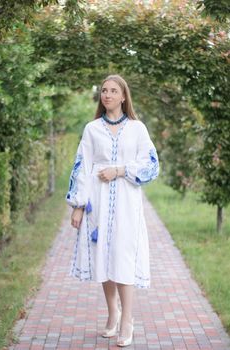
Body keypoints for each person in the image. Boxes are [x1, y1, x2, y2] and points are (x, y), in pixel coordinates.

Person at [65, 74, 159, 347]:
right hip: (98, 202)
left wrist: (120, 170)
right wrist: (78, 207)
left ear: (123, 96)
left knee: (123, 256)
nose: (107, 95)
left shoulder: (138, 129)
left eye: (113, 91)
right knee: (104, 256)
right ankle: (113, 313)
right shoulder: (91, 129)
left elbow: (151, 165)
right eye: (104, 90)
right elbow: (82, 168)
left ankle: (127, 319)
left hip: (128, 203)